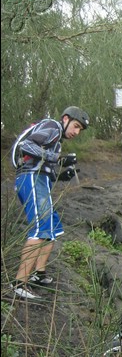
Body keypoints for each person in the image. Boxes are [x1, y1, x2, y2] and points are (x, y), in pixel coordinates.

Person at [11, 106, 90, 299]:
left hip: (40, 180)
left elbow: (44, 164)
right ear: (66, 119)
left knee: (52, 228)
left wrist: (62, 174)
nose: (76, 132)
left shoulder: (56, 138)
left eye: (80, 130)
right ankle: (19, 283)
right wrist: (57, 158)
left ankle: (39, 274)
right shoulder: (53, 127)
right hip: (30, 178)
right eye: (76, 126)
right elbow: (26, 146)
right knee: (40, 228)